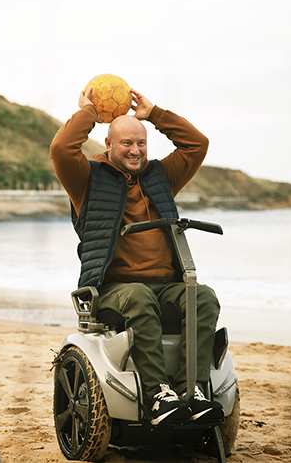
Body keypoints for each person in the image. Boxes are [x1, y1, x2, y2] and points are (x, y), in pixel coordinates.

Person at [50, 86, 223, 426]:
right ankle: (158, 395)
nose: (135, 150)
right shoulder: (87, 179)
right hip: (112, 288)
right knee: (140, 296)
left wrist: (155, 114)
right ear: (108, 145)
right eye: (126, 143)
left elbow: (197, 144)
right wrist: (88, 113)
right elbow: (61, 148)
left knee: (203, 297)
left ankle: (194, 390)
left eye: (140, 143)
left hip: (166, 286)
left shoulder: (161, 176)